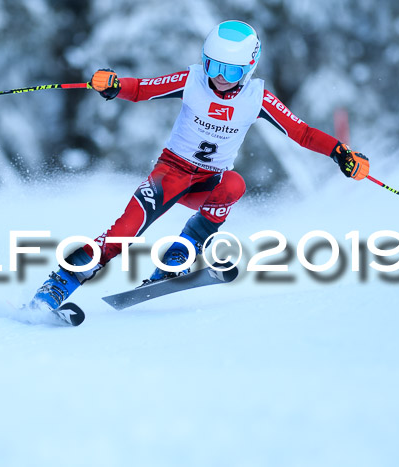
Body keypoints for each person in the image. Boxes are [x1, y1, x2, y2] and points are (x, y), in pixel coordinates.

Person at [29, 20, 370, 312]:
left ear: (249, 68)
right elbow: (142, 89)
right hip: (171, 174)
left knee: (234, 185)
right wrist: (114, 85)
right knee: (123, 234)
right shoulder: (192, 81)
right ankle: (59, 284)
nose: (220, 78)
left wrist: (340, 152)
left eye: (231, 71)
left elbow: (303, 132)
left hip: (208, 182)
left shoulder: (257, 98)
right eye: (213, 66)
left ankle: (181, 252)